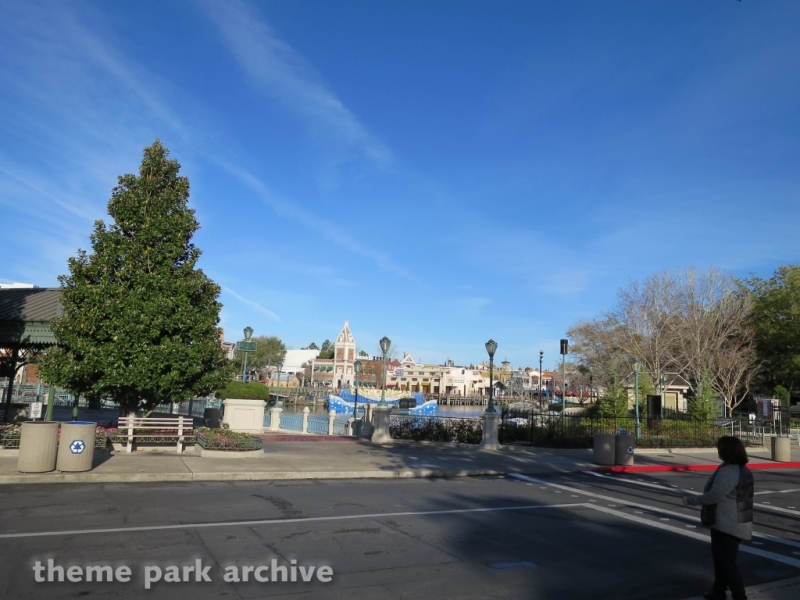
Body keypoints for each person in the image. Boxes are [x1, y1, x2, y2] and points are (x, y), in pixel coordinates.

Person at [683, 436, 755, 600]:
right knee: (722, 561)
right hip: (737, 520)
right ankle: (718, 592)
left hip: (728, 523)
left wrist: (691, 500)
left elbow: (714, 495)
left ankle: (739, 596)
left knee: (727, 564)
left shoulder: (730, 471)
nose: (718, 450)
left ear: (726, 450)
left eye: (720, 447)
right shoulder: (742, 469)